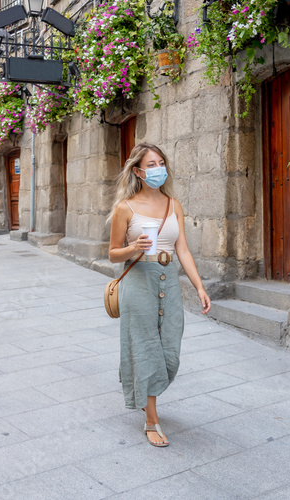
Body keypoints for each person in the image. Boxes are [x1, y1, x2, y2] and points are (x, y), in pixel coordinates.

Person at [108, 142, 211, 447]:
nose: (158, 169)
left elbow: (183, 250)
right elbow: (113, 254)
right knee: (146, 348)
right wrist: (132, 248)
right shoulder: (124, 208)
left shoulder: (173, 204)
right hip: (138, 282)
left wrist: (199, 287)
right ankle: (151, 418)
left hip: (168, 282)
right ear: (138, 171)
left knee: (170, 350)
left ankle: (144, 389)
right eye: (151, 165)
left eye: (161, 163)